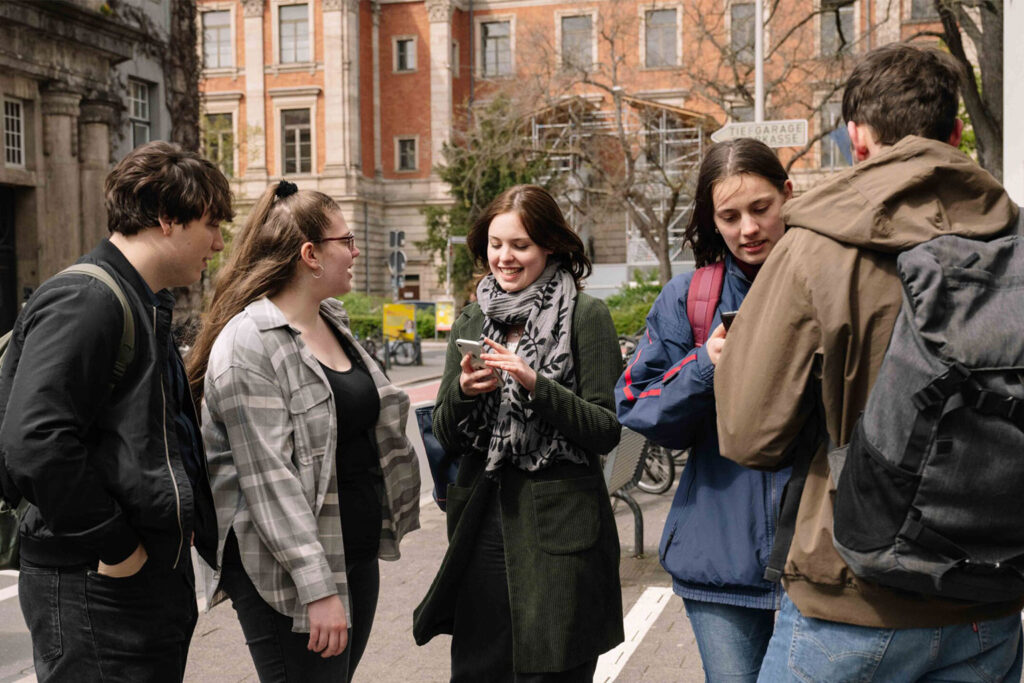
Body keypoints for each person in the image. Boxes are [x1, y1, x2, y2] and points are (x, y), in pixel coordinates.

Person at [715, 43, 1024, 681]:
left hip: (851, 594)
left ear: (857, 139)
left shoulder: (813, 249)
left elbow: (748, 433)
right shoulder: (1014, 243)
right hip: (988, 594)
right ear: (957, 132)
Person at [0, 141, 232, 681]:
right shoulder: (90, 299)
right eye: (211, 224)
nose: (219, 243)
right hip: (97, 588)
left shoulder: (139, 300)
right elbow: (35, 441)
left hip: (127, 586)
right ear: (168, 219)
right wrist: (118, 547)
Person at [186, 181, 420, 682]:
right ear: (310, 254)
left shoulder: (331, 320)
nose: (356, 251)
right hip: (290, 576)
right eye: (347, 241)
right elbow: (270, 484)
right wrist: (318, 588)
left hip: (351, 556)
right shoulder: (250, 343)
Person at [413, 185, 624, 681]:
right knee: (478, 666)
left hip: (560, 526)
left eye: (520, 245)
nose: (504, 258)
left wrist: (535, 384)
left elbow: (606, 430)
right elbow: (446, 431)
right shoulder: (472, 317)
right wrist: (465, 389)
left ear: (550, 245)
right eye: (495, 244)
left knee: (551, 667)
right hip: (482, 518)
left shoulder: (586, 316)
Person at [615, 138, 792, 681]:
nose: (748, 229)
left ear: (787, 195)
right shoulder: (689, 296)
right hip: (718, 561)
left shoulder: (829, 279)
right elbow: (636, 408)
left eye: (761, 209)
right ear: (711, 221)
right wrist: (705, 364)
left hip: (817, 559)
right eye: (730, 216)